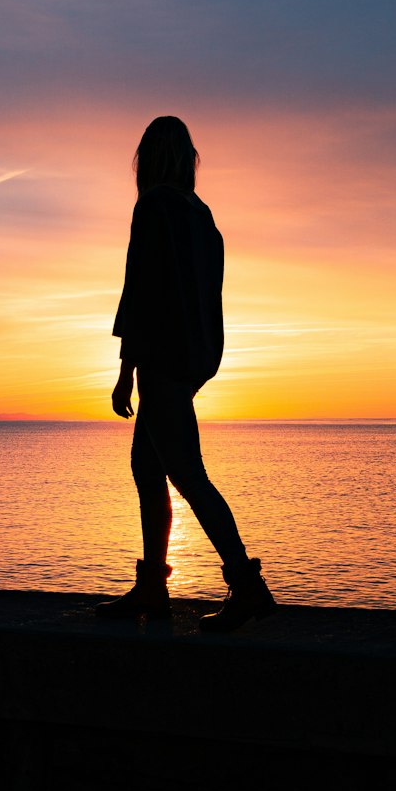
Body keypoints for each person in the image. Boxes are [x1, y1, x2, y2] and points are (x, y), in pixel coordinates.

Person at [95, 115, 276, 634]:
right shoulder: (203, 214)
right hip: (193, 357)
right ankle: (153, 585)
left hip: (161, 358)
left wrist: (126, 370)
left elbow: (141, 290)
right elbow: (207, 294)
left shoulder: (152, 206)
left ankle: (246, 586)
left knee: (187, 475)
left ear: (148, 159)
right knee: (147, 469)